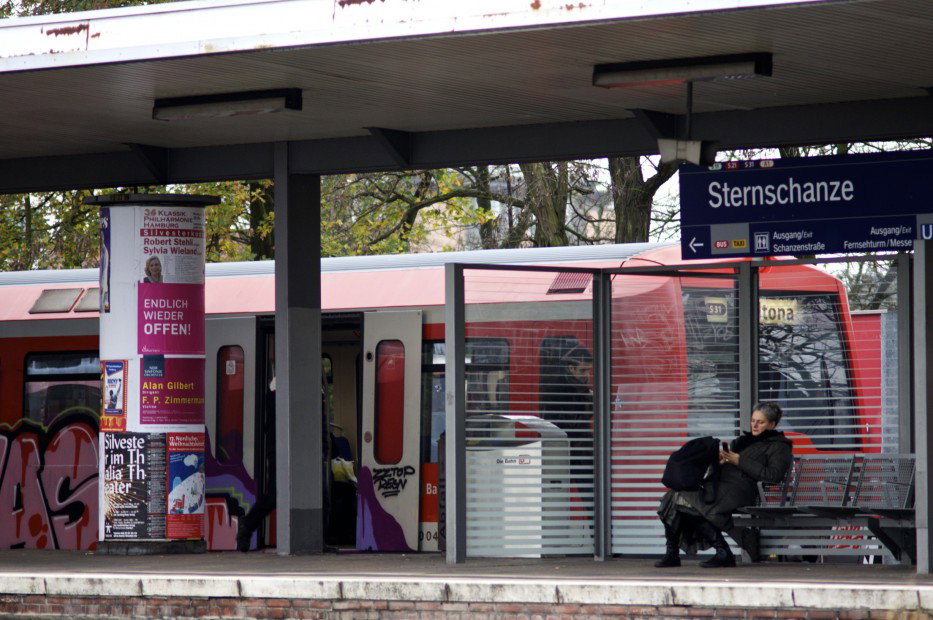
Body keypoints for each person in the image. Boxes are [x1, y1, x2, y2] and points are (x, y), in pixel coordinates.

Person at [655, 401, 792, 568]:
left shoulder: (779, 446)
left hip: (742, 489)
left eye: (760, 422)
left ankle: (723, 552)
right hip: (719, 484)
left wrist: (739, 460)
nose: (754, 425)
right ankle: (673, 554)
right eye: (753, 420)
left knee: (689, 502)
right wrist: (719, 463)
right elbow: (724, 467)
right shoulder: (741, 441)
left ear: (772, 424)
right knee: (671, 497)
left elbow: (773, 476)